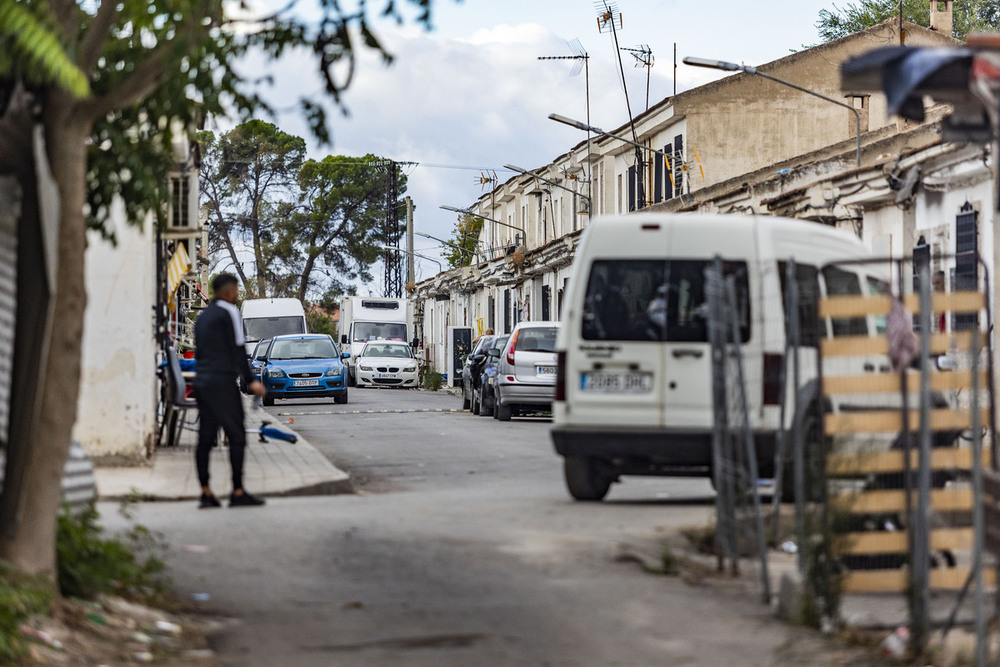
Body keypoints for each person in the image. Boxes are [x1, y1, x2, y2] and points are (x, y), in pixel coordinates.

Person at [193, 273, 267, 509]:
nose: (236, 294)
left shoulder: (202, 318)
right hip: (222, 382)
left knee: (205, 437)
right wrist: (251, 380)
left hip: (202, 382)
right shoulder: (231, 312)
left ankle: (205, 492)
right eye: (235, 289)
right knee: (236, 435)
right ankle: (237, 491)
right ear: (229, 291)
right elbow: (238, 350)